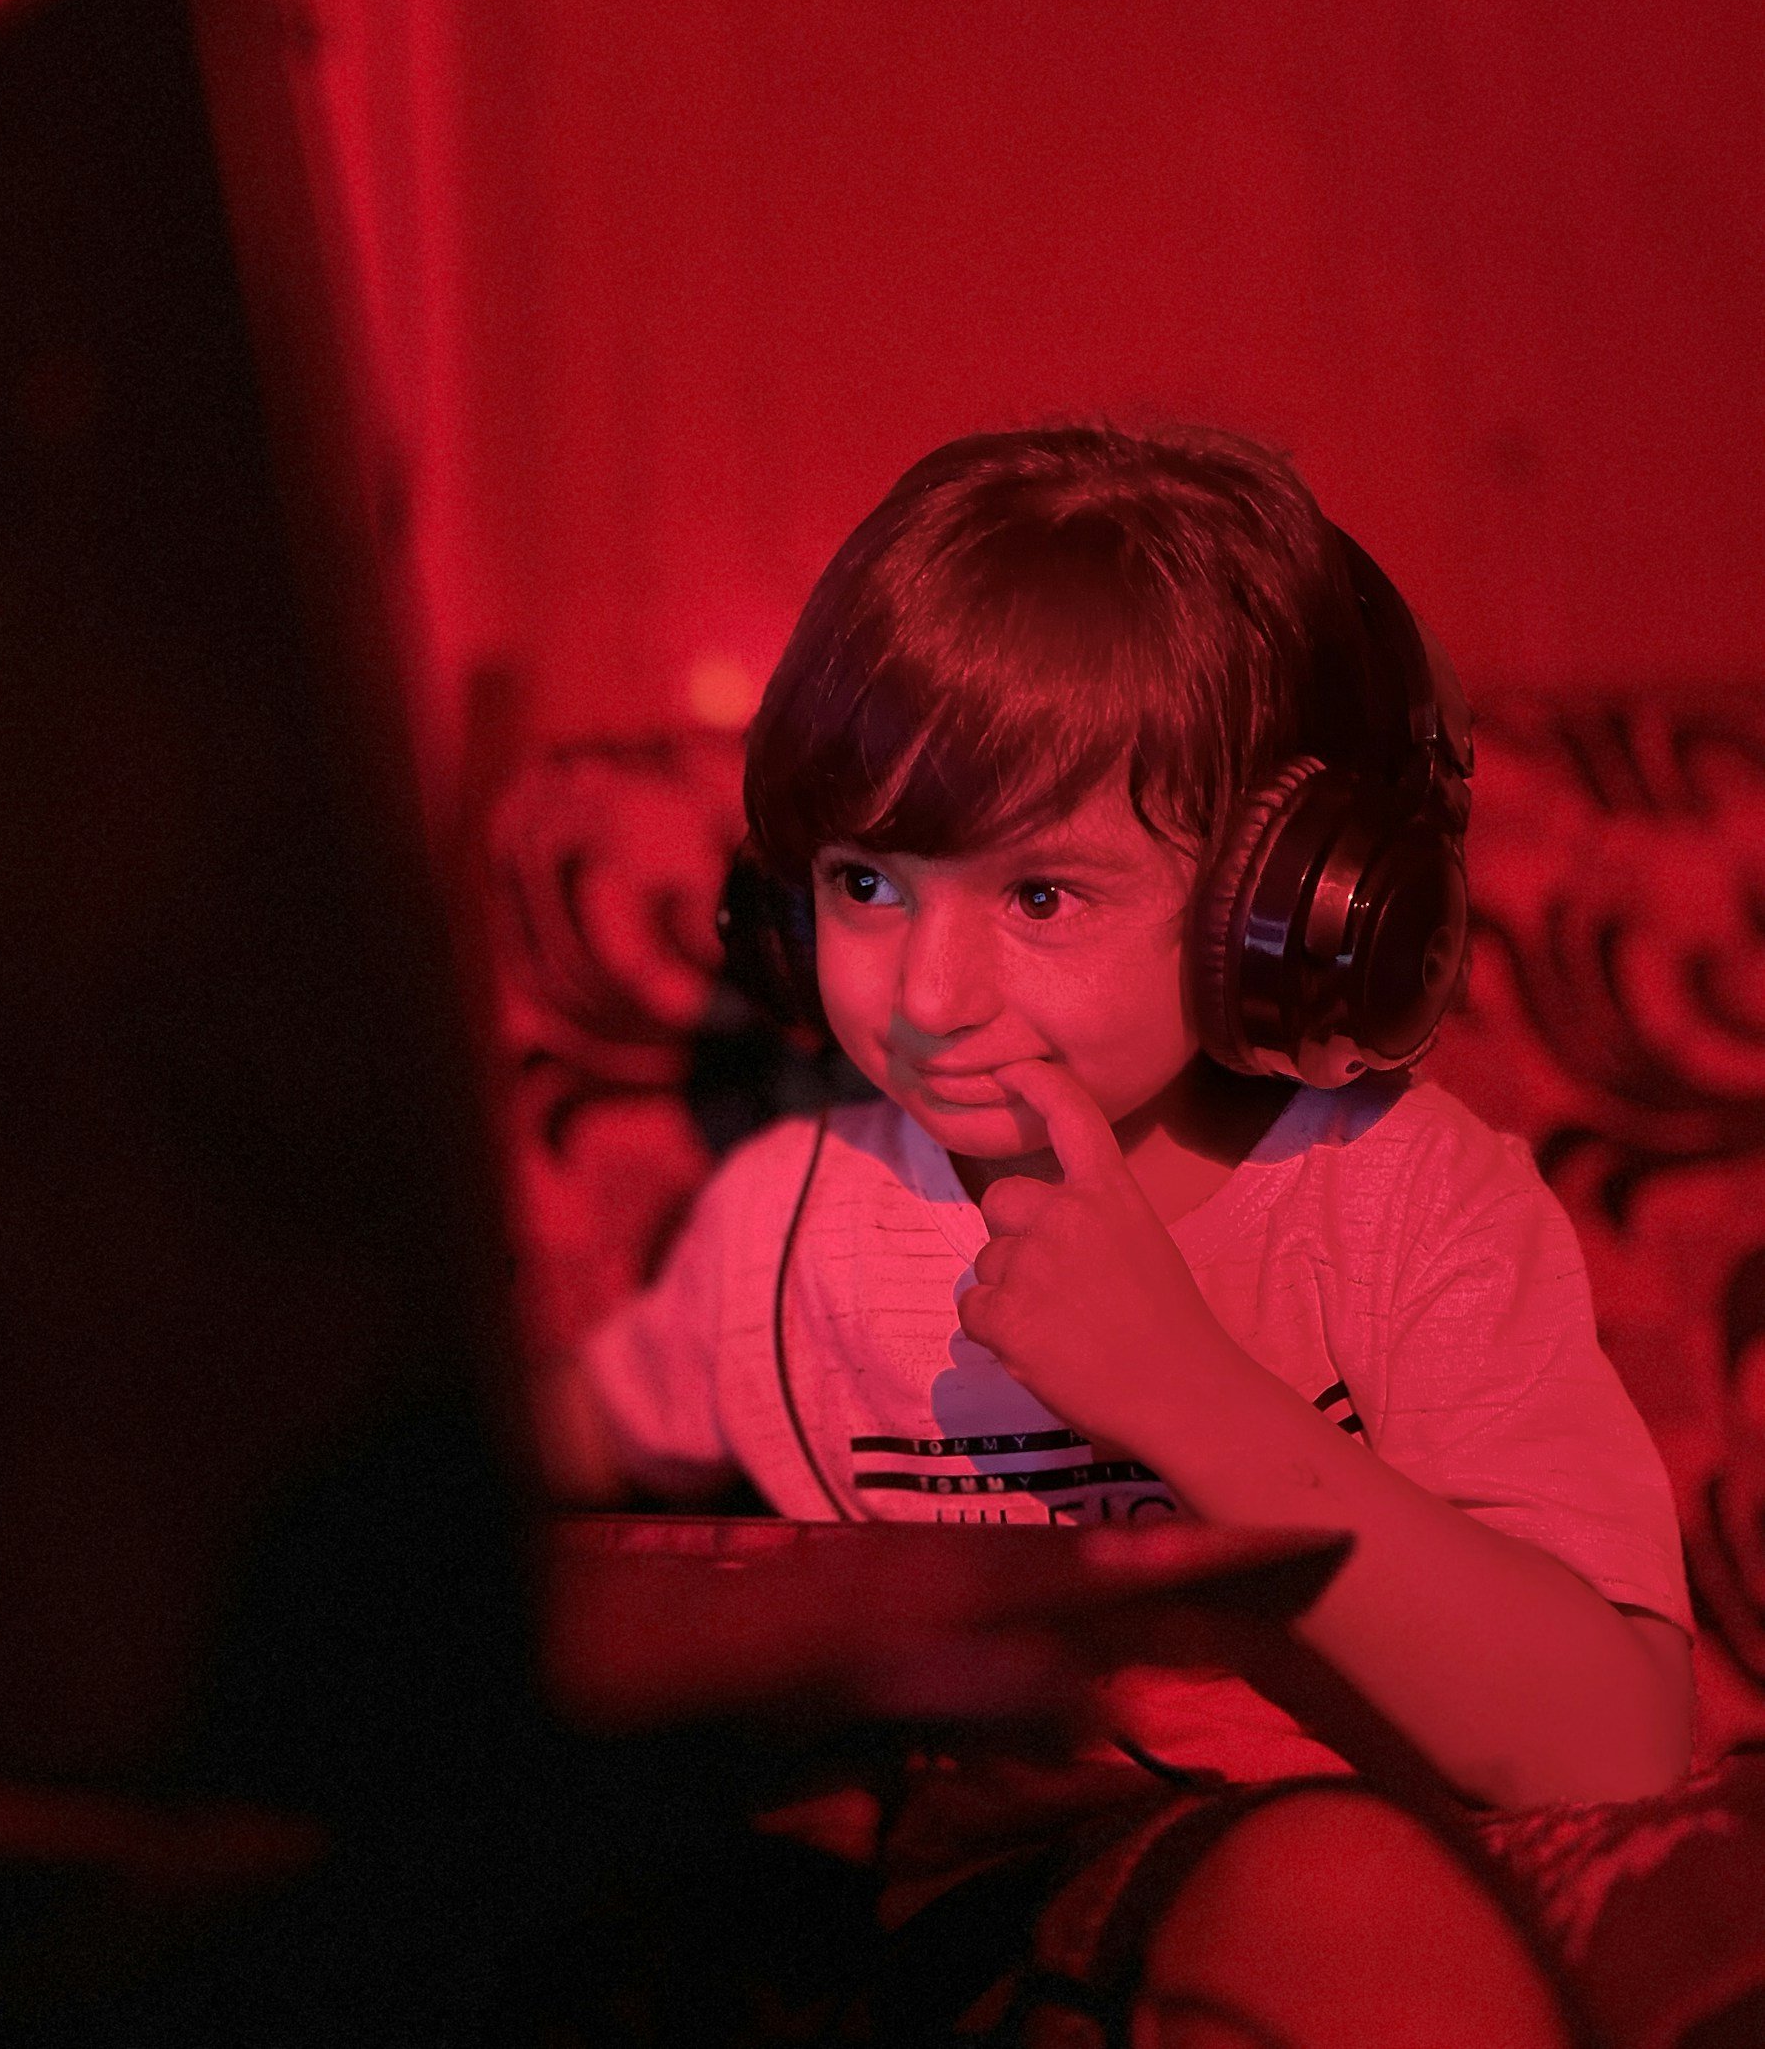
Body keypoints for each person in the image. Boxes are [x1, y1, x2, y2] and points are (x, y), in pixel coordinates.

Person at [542, 422, 1695, 2048]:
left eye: (1042, 899)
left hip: (1326, 1874)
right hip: (951, 1913)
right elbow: (522, 1468)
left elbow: (1618, 1744)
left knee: (1342, 1908)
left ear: (1289, 919)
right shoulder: (786, 1226)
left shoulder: (1407, 1208)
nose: (929, 1003)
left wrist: (1188, 1393)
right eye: (870, 887)